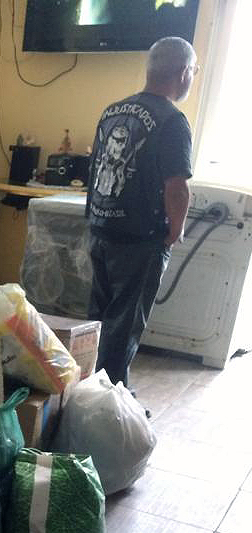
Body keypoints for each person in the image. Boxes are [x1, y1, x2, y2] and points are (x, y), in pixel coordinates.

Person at [86, 36, 196, 391]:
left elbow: (96, 166)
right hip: (139, 238)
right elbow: (176, 187)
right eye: (194, 71)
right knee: (124, 325)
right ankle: (110, 404)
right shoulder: (172, 120)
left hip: (101, 228)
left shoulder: (112, 111)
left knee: (98, 321)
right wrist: (174, 231)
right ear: (183, 73)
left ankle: (87, 392)